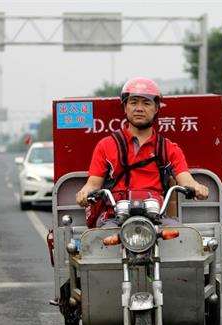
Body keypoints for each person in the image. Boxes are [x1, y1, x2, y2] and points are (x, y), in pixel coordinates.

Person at [76, 77, 209, 227]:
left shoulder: (168, 148)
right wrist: (85, 192)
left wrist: (197, 187)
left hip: (156, 218)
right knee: (99, 243)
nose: (139, 108)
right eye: (133, 102)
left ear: (157, 108)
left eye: (146, 103)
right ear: (125, 107)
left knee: (179, 238)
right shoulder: (106, 145)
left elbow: (186, 180)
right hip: (115, 217)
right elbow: (93, 184)